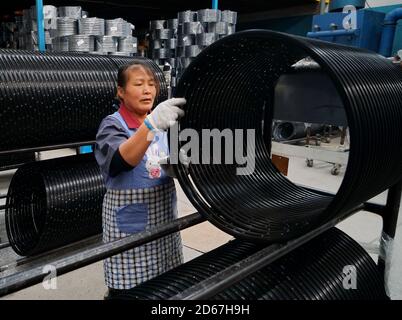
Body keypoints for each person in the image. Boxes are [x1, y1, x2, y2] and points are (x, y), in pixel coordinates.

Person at [94, 61, 186, 298]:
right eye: (139, 84)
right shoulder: (113, 125)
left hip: (163, 221)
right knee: (130, 292)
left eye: (151, 84)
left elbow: (163, 159)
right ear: (121, 92)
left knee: (165, 286)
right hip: (129, 229)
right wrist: (151, 124)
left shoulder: (163, 127)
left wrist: (178, 166)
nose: (148, 90)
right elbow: (121, 162)